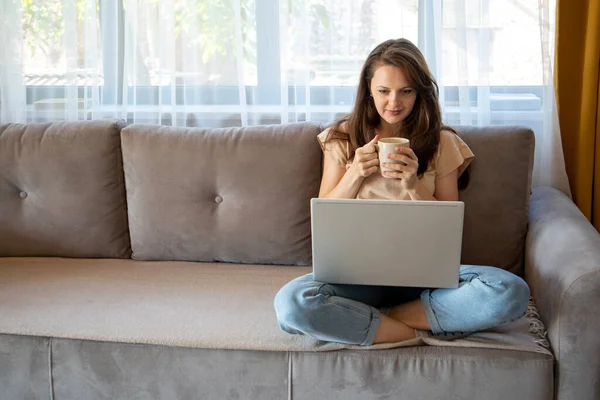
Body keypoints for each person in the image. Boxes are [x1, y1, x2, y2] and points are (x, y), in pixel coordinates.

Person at [273, 38, 530, 346]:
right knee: (293, 304)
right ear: (368, 88)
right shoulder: (340, 139)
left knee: (509, 291)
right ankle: (419, 330)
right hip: (355, 276)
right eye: (384, 91)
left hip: (425, 279)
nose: (394, 102)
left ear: (419, 93)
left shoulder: (442, 143)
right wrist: (355, 173)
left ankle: (382, 319)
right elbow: (325, 214)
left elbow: (447, 228)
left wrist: (412, 185)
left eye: (406, 91)